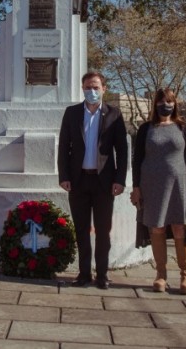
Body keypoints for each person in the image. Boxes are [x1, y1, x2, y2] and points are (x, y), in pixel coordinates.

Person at [58, 71, 128, 290]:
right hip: (78, 181)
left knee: (103, 230)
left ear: (104, 89)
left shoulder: (114, 114)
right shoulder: (72, 113)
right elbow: (63, 147)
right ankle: (84, 273)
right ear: (82, 88)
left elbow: (122, 151)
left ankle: (103, 274)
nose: (92, 91)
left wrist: (120, 180)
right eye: (88, 87)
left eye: (96, 87)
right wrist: (64, 176)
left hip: (104, 182)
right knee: (81, 230)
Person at [130, 88, 186, 294]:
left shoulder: (183, 127)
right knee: (157, 228)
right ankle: (160, 274)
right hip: (151, 186)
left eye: (169, 101)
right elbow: (137, 160)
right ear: (155, 104)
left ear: (175, 104)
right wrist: (136, 188)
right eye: (162, 101)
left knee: (180, 227)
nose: (166, 105)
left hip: (179, 186)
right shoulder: (146, 129)